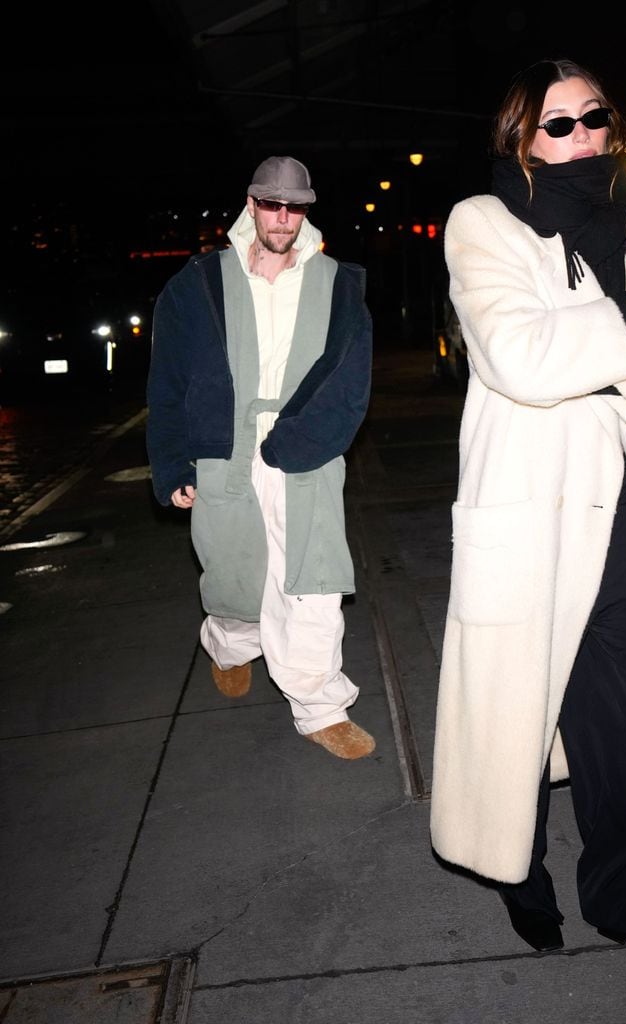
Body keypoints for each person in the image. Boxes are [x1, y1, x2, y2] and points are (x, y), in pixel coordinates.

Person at [429, 58, 626, 983]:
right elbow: (515, 356)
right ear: (521, 139)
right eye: (558, 124)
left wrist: (595, 346)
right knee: (526, 708)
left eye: (594, 116)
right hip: (523, 503)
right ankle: (524, 877)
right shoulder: (482, 223)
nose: (582, 134)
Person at [146, 155, 376, 760]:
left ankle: (321, 704)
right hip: (222, 449)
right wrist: (171, 463)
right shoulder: (196, 284)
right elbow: (166, 382)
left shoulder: (339, 283)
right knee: (237, 573)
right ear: (251, 204)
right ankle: (228, 641)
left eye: (295, 206)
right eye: (271, 204)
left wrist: (300, 442)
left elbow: (352, 381)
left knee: (312, 579)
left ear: (307, 210)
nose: (283, 216)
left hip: (307, 445)